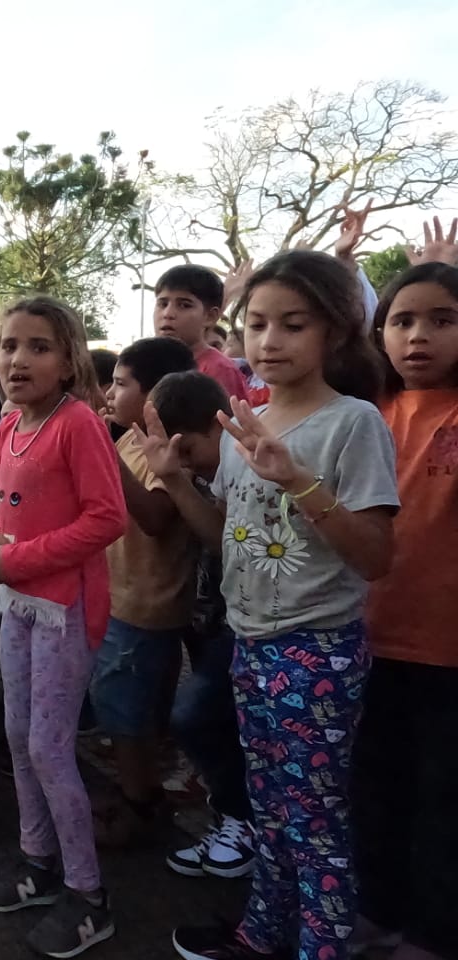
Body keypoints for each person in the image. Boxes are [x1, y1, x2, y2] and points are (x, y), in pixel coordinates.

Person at [137, 251, 398, 960]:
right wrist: (178, 484)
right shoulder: (242, 419)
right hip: (251, 644)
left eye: (293, 324)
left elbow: (375, 555)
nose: (270, 340)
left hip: (317, 651)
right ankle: (262, 932)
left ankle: (323, 945)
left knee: (314, 821)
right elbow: (230, 540)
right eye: (257, 323)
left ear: (337, 331)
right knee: (272, 810)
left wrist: (301, 484)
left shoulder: (353, 424)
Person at [0, 296, 127, 958]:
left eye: (37, 346)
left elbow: (106, 518)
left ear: (68, 360)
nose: (17, 359)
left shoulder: (79, 423)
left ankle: (89, 896)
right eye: (7, 345)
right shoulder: (10, 426)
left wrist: (17, 560)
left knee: (49, 746)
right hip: (20, 603)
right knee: (16, 731)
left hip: (64, 609)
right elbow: (8, 502)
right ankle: (39, 861)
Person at [352, 262, 458, 960]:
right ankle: (378, 910)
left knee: (443, 804)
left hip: (448, 652)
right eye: (402, 320)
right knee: (376, 790)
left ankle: (434, 931)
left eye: (443, 320)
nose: (418, 336)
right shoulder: (368, 414)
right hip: (367, 641)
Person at [147, 372, 256, 880]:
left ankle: (242, 822)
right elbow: (219, 538)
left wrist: (176, 479)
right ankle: (235, 819)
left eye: (189, 449)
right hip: (232, 618)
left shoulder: (245, 456)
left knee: (195, 715)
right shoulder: (219, 468)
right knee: (204, 718)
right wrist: (175, 478)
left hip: (265, 625)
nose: (187, 462)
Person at [91, 337, 198, 847]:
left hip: (145, 604)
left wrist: (102, 457)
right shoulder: (127, 437)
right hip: (120, 596)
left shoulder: (170, 447)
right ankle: (138, 790)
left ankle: (141, 804)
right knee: (122, 708)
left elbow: (155, 518)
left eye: (120, 382)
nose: (109, 392)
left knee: (127, 712)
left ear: (154, 393)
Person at [154, 265, 251, 401]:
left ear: (210, 316)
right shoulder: (149, 365)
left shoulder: (219, 369)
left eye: (184, 305)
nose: (167, 314)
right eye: (162, 304)